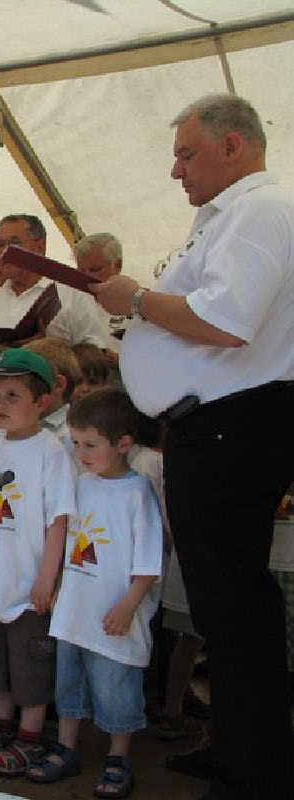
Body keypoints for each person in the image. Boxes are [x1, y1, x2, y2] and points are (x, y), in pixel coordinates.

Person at [92, 93, 294, 800]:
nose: (176, 171)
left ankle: (255, 772)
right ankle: (240, 748)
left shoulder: (259, 209)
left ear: (233, 146)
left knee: (235, 607)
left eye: (186, 154)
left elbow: (226, 320)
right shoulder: (230, 216)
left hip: (233, 425)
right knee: (222, 607)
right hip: (216, 425)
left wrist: (137, 301)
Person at [29, 388, 163, 797]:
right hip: (75, 611)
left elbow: (148, 561)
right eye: (76, 443)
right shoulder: (80, 485)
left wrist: (129, 605)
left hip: (113, 615)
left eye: (91, 445)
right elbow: (70, 540)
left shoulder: (138, 493)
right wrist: (58, 586)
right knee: (69, 683)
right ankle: (66, 747)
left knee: (115, 688)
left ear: (123, 444)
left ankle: (118, 756)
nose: (81, 453)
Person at [0, 348, 77, 777]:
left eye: (13, 395)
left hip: (32, 581)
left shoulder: (52, 451)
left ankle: (30, 735)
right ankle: (1, 724)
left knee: (30, 662)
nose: (0, 404)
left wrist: (48, 576)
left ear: (42, 402)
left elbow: (59, 519)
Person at [0, 215, 110, 349]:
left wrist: (50, 349)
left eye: (14, 244)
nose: (4, 252)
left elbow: (97, 353)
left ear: (40, 247)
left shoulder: (73, 294)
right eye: (0, 244)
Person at [74, 233, 127, 349]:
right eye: (81, 272)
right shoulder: (71, 303)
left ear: (118, 265)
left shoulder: (139, 307)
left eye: (95, 270)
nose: (87, 278)